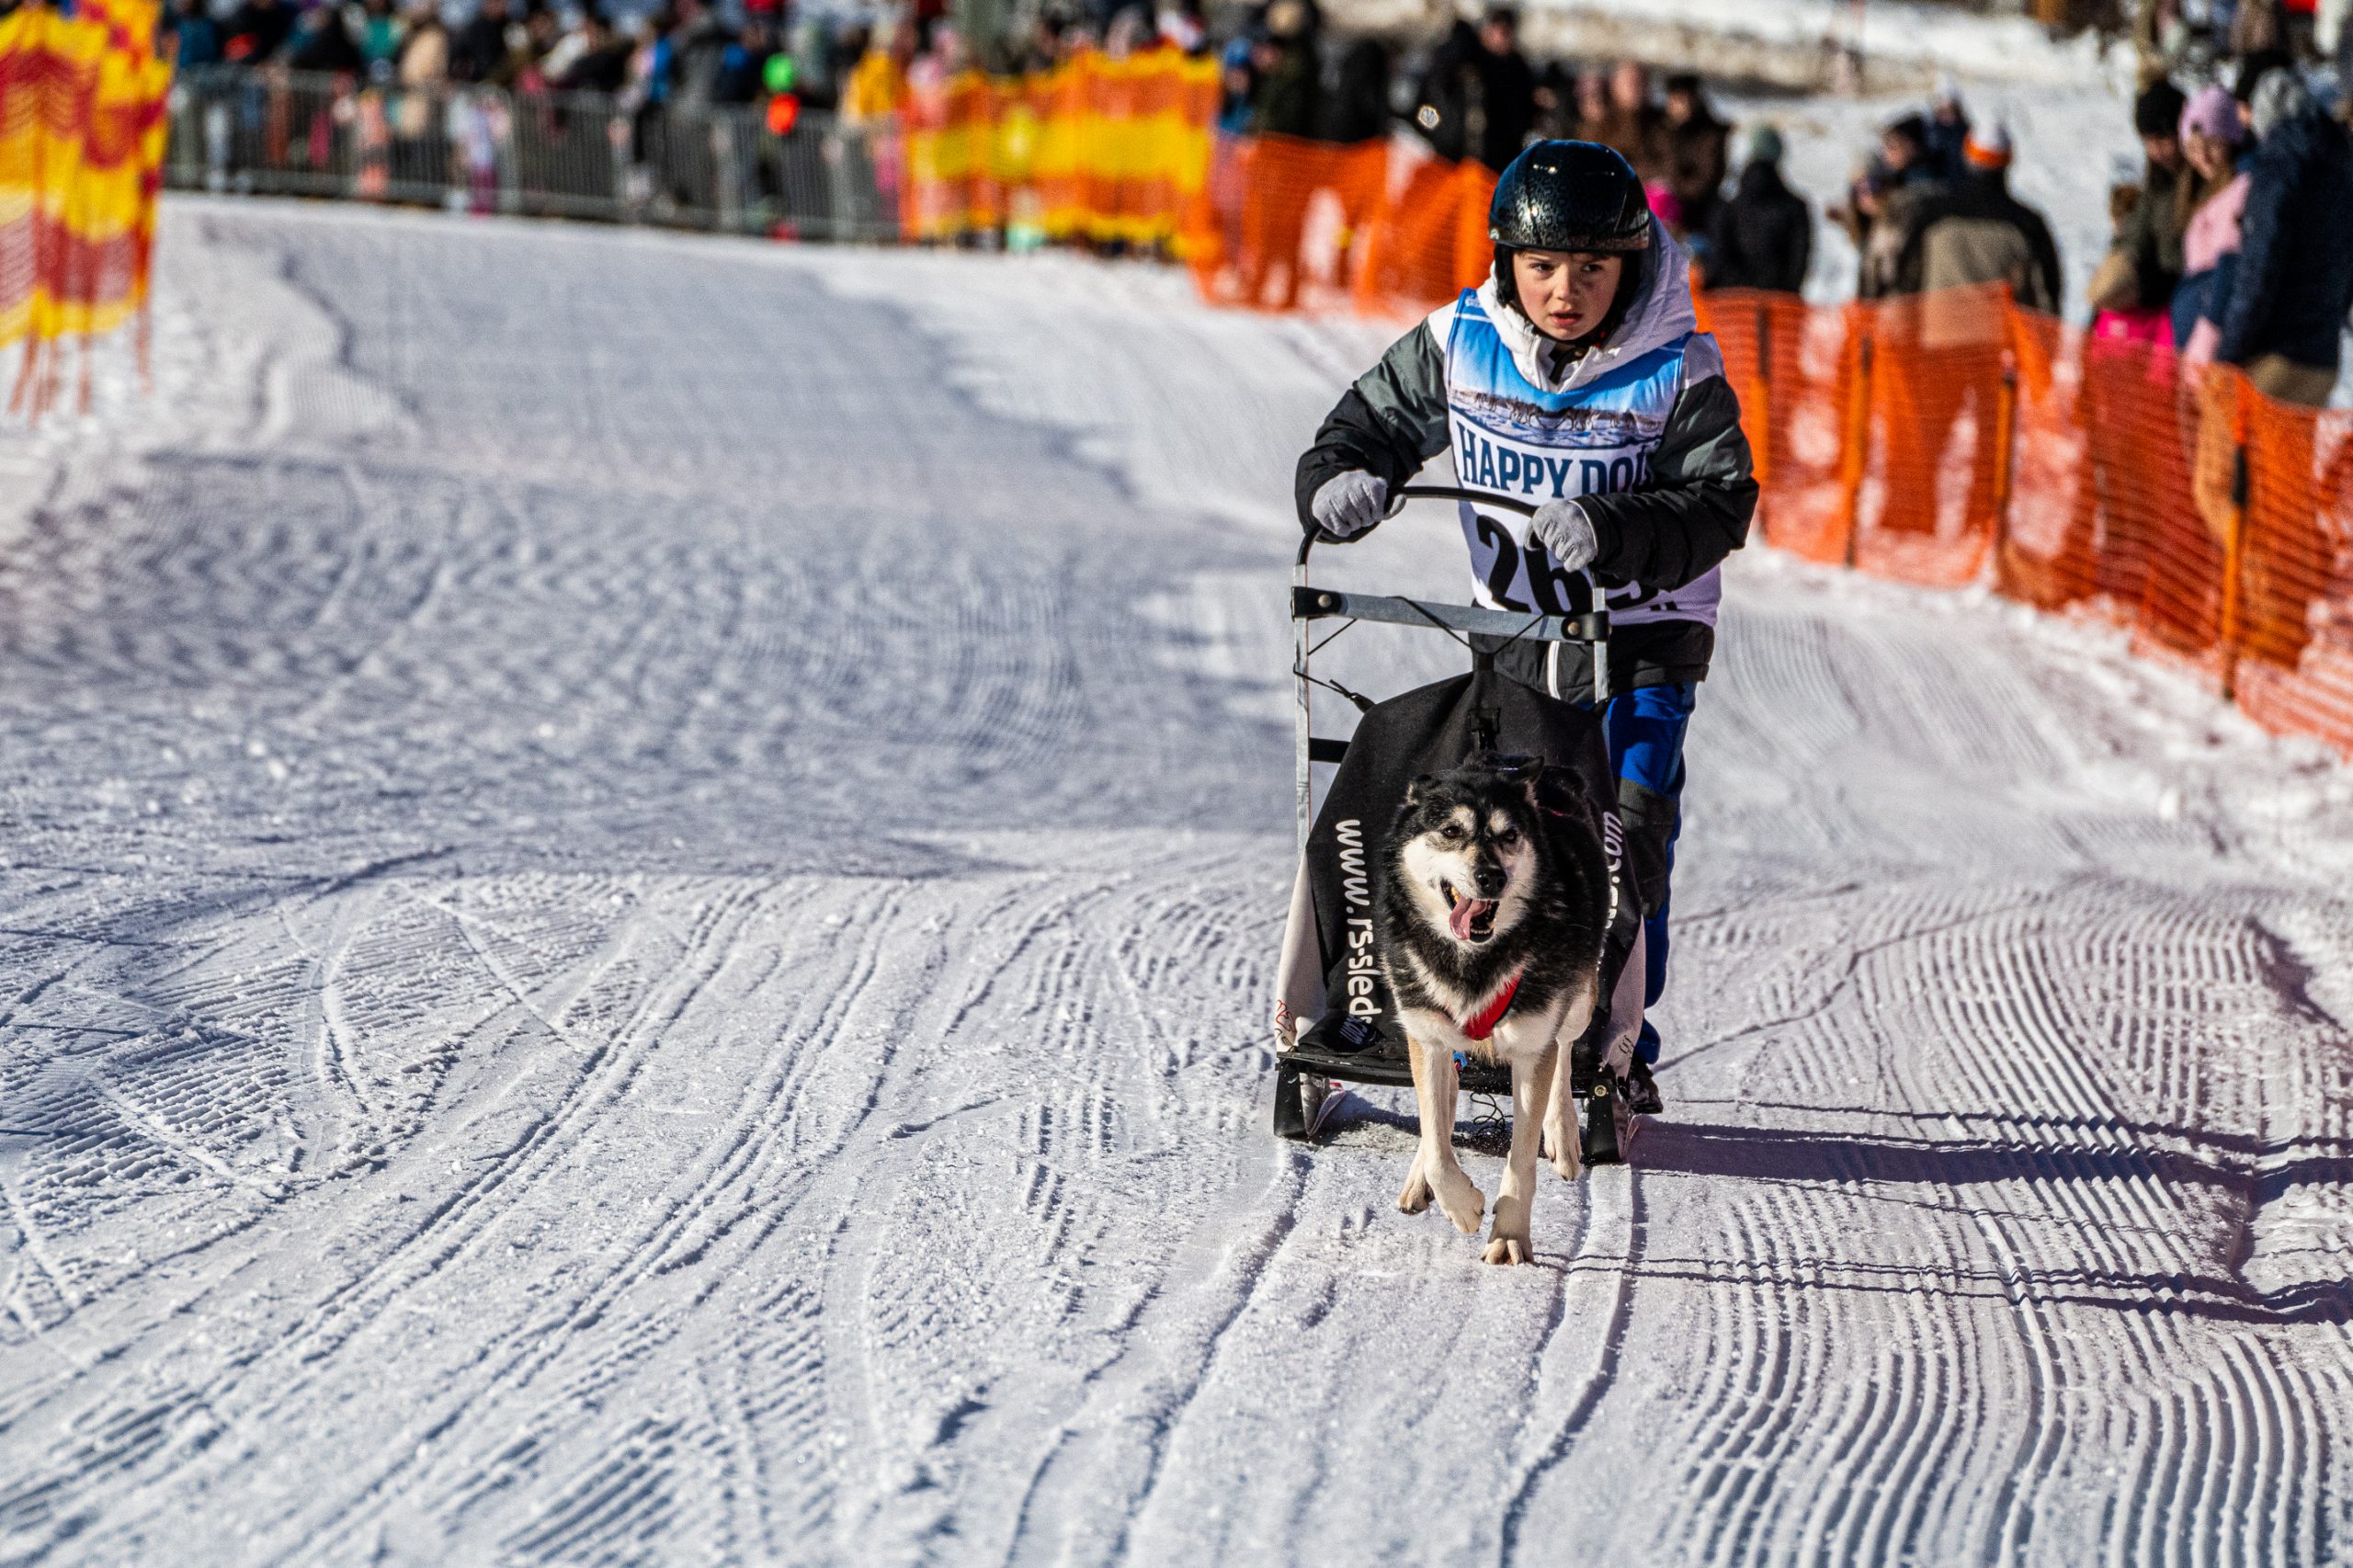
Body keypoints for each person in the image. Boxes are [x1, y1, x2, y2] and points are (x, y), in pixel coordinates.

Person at [1293, 142, 1758, 1110]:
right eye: (1542, 266)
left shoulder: (1676, 368)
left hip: (1641, 645)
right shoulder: (1461, 341)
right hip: (1514, 639)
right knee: (1494, 838)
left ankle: (1614, 1039)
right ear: (1508, 260)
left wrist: (1613, 527)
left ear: (1630, 264)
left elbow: (1718, 504)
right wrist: (1339, 478)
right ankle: (1474, 1007)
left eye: (1592, 269)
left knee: (1623, 832)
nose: (1564, 291)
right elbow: (1369, 422)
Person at [2213, 68, 2353, 407]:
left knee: (2221, 437)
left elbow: (2258, 269)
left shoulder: (2278, 166)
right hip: (2322, 359)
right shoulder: (2341, 166)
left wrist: (2228, 355)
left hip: (2274, 356)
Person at [2089, 79, 2190, 339]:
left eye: (2164, 138)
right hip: (2158, 305)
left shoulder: (2198, 182)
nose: (2157, 150)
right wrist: (2121, 265)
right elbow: (2136, 233)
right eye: (2149, 141)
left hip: (2183, 302)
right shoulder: (2158, 183)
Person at [1410, 6, 1537, 171]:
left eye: (1507, 32)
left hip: (1498, 163)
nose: (1502, 37)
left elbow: (1524, 116)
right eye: (1498, 30)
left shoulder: (1518, 70)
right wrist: (1436, 134)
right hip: (1453, 160)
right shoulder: (1466, 63)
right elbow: (1428, 107)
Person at [1704, 125, 1812, 293]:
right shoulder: (1796, 208)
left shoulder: (1727, 207)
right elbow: (1798, 263)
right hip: (1780, 301)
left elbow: (1718, 257)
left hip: (1730, 302)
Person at [1657, 72, 1731, 237]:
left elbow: (1707, 179)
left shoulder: (1711, 134)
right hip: (1661, 206)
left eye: (1689, 98)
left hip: (1699, 211)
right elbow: (1647, 166)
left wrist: (1673, 186)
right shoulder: (1658, 129)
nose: (1685, 105)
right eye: (1679, 99)